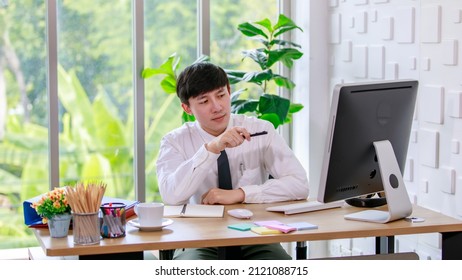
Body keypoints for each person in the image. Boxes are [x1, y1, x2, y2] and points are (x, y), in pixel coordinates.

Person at [156, 62, 309, 260]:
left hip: (256, 234)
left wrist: (241, 194)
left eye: (221, 95)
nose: (217, 107)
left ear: (229, 91)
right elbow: (171, 196)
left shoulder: (260, 129)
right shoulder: (174, 141)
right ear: (187, 108)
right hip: (199, 238)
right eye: (204, 101)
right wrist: (211, 149)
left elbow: (299, 184)